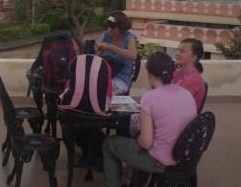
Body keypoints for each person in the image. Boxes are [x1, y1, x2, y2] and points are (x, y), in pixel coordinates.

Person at [102, 52, 196, 187]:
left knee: (109, 144)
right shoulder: (186, 94)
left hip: (160, 161)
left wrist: (137, 139)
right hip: (185, 158)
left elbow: (146, 143)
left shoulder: (150, 98)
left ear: (149, 75)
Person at [87, 10, 138, 95]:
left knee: (100, 91)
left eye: (113, 27)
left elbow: (133, 56)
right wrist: (92, 47)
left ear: (121, 27)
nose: (110, 29)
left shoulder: (130, 38)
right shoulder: (106, 35)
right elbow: (96, 55)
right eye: (108, 26)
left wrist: (109, 47)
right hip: (105, 75)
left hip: (121, 78)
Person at [173, 38, 206, 113]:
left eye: (182, 51)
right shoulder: (179, 72)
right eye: (177, 50)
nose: (177, 53)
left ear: (193, 58)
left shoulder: (193, 79)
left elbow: (178, 103)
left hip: (184, 119)